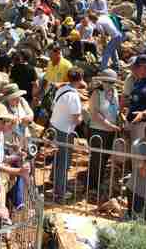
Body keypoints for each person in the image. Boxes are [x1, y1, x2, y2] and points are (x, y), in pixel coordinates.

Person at [49, 68, 85, 201]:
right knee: (63, 161)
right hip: (64, 130)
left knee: (57, 157)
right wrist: (83, 117)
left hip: (54, 126)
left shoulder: (62, 89)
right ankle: (60, 191)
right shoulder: (74, 96)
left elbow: (53, 107)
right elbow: (77, 119)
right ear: (80, 79)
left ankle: (54, 180)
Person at [87, 69, 121, 194]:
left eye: (112, 82)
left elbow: (116, 109)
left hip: (111, 131)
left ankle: (99, 183)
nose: (109, 84)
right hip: (98, 129)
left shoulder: (115, 92)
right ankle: (92, 186)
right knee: (97, 158)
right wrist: (109, 125)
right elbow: (95, 114)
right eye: (107, 82)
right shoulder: (96, 93)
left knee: (105, 158)